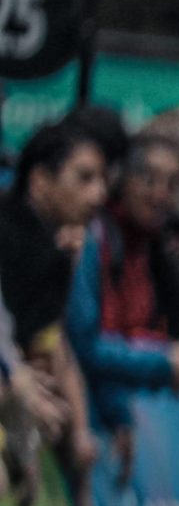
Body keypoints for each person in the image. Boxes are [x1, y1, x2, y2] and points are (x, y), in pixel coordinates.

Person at [67, 118, 179, 437]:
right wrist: (163, 362)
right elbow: (85, 344)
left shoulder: (153, 247)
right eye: (148, 178)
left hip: (109, 413)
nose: (159, 194)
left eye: (173, 183)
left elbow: (130, 334)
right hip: (80, 416)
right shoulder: (94, 238)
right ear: (120, 177)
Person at [0, 118, 111, 483]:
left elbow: (46, 345)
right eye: (84, 178)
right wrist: (19, 401)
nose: (99, 195)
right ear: (40, 180)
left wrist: (73, 429)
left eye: (101, 179)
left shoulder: (58, 251)